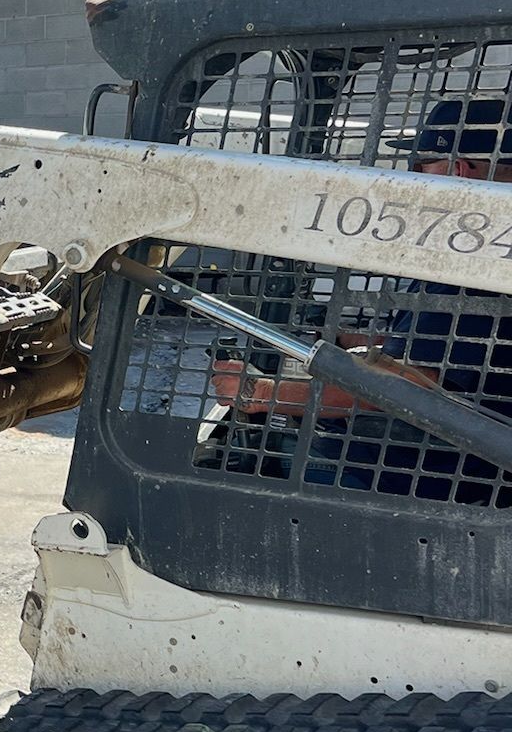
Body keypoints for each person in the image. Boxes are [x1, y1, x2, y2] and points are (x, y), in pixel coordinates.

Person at [208, 95, 512, 503]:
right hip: (447, 463)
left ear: (456, 169)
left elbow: (406, 389)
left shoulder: (481, 272)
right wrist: (354, 340)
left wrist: (260, 393)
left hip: (414, 477)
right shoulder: (483, 252)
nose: (416, 178)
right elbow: (454, 356)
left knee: (229, 470)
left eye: (421, 164)